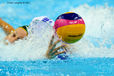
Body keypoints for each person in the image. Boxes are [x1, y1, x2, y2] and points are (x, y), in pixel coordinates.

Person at [0, 17, 69, 59]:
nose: (12, 40)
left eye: (19, 39)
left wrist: (47, 57)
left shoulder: (20, 53)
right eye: (14, 35)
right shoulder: (10, 34)